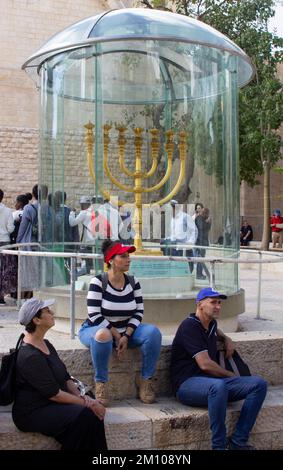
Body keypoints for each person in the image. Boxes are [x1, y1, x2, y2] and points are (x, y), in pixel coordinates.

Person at [170, 287, 267, 450]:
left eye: (219, 303)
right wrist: (232, 376)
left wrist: (226, 338)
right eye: (213, 302)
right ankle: (219, 446)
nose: (218, 306)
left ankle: (238, 442)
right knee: (219, 386)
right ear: (200, 304)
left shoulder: (212, 324)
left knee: (259, 384)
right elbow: (205, 364)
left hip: (212, 385)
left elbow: (215, 330)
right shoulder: (189, 326)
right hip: (187, 385)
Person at [12, 298, 107, 451]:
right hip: (33, 411)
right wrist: (86, 403)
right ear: (36, 320)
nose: (52, 313)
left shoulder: (46, 344)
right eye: (47, 311)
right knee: (86, 415)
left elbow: (65, 377)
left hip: (51, 403)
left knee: (90, 412)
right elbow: (54, 394)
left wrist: (84, 398)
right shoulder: (29, 356)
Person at [78, 239, 162, 407]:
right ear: (110, 260)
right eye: (123, 256)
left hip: (127, 331)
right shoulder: (98, 282)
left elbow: (139, 311)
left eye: (128, 256)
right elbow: (94, 314)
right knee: (103, 335)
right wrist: (117, 335)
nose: (128, 259)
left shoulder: (133, 282)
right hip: (96, 328)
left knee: (153, 333)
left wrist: (126, 335)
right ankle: (101, 383)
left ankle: (146, 380)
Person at [167, 199, 198, 273]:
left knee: (187, 270)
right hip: (175, 248)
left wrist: (190, 242)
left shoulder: (185, 217)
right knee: (177, 270)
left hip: (185, 249)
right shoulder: (172, 219)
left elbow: (194, 230)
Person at [0, 189, 15, 304]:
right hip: (4, 242)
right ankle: (2, 295)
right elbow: (11, 229)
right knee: (4, 269)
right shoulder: (8, 211)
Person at [195, 207, 211, 280]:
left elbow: (207, 229)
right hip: (200, 242)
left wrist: (209, 222)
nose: (207, 216)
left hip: (203, 242)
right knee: (200, 258)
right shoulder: (199, 218)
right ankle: (199, 274)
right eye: (207, 214)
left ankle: (200, 273)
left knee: (201, 258)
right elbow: (201, 228)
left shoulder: (203, 219)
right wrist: (207, 222)